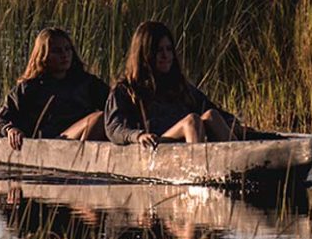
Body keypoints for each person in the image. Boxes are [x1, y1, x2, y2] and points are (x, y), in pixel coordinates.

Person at [104, 21, 243, 147]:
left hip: (185, 142)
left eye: (169, 49)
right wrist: (138, 135)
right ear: (145, 54)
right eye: (159, 51)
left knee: (212, 115)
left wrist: (234, 123)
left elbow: (208, 107)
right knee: (192, 121)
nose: (166, 56)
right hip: (157, 144)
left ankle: (240, 162)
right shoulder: (126, 90)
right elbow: (114, 128)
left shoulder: (179, 86)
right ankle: (198, 169)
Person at [0, 27, 109, 149]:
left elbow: (114, 105)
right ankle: (80, 158)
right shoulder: (30, 87)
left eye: (67, 49)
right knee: (99, 118)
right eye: (57, 51)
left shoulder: (86, 82)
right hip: (54, 142)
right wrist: (9, 129)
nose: (64, 55)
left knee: (106, 118)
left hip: (81, 136)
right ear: (43, 56)